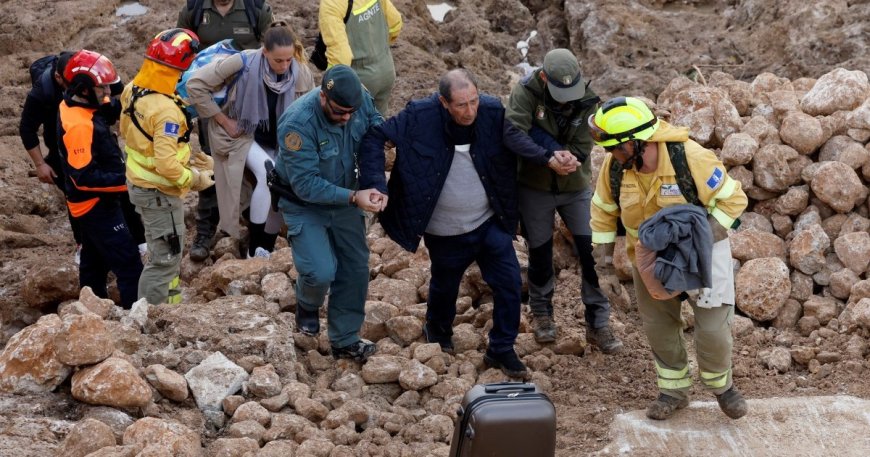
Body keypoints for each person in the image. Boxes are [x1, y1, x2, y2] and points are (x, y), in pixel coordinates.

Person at [358, 69, 576, 378]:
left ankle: (501, 349)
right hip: (444, 230)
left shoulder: (491, 111)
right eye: (461, 105)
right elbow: (375, 137)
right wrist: (375, 183)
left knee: (510, 283)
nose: (470, 111)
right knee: (445, 285)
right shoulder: (420, 116)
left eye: (473, 101)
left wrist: (552, 152)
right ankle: (438, 331)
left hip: (489, 222)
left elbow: (523, 129)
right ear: (443, 103)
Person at [588, 96, 748, 420]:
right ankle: (673, 391)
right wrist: (603, 266)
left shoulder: (691, 157)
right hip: (648, 261)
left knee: (714, 329)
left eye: (617, 148)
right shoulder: (616, 167)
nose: (612, 156)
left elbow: (734, 201)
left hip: (702, 255)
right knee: (659, 327)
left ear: (637, 141)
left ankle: (723, 387)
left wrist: (700, 241)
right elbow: (603, 212)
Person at [506, 48, 622, 352]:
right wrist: (547, 158)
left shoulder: (586, 96)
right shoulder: (526, 91)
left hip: (575, 185)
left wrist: (572, 157)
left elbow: (586, 139)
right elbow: (513, 133)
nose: (567, 98)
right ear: (544, 78)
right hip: (535, 185)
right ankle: (542, 314)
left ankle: (598, 323)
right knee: (540, 251)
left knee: (592, 249)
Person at [274, 65, 385, 361]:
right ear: (323, 97)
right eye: (339, 112)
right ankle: (307, 303)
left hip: (347, 198)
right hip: (305, 203)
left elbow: (376, 127)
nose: (347, 118)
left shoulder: (357, 98)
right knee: (320, 271)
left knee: (355, 267)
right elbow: (306, 185)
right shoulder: (298, 124)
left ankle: (345, 339)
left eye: (352, 112)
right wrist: (354, 197)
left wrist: (375, 182)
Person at [187, 21, 314, 258]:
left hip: (280, 141)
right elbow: (196, 84)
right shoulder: (243, 63)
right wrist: (224, 120)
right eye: (278, 60)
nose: (284, 66)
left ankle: (266, 245)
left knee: (281, 185)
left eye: (289, 60)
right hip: (241, 134)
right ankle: (255, 248)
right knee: (270, 174)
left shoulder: (302, 74)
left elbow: (310, 113)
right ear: (265, 52)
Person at [19, 52, 146, 263]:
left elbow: (117, 92)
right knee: (77, 199)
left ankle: (139, 240)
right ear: (60, 78)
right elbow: (26, 128)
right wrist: (40, 164)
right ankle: (85, 246)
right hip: (65, 149)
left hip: (99, 139)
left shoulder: (92, 76)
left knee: (123, 193)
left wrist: (105, 102)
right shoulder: (43, 92)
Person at [121, 29, 215, 305]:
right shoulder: (166, 111)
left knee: (167, 254)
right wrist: (195, 178)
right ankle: (152, 318)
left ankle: (170, 307)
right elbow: (164, 162)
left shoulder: (133, 89)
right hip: (160, 193)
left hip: (141, 185)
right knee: (164, 259)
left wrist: (188, 158)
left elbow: (135, 137)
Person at [177, 0, 274, 262]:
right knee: (213, 164)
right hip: (212, 105)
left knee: (255, 164)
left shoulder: (256, 10)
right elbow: (181, 55)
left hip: (252, 104)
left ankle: (249, 222)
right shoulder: (194, 10)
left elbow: (274, 47)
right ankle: (206, 231)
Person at [57, 50, 143, 308]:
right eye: (101, 87)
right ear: (84, 89)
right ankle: (133, 318)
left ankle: (91, 309)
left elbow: (103, 110)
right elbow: (83, 178)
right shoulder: (80, 127)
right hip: (96, 205)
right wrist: (128, 179)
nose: (107, 92)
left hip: (85, 207)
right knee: (129, 265)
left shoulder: (71, 104)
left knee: (93, 263)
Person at [319, 0, 403, 115]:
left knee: (351, 126)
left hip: (359, 80)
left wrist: (329, 85)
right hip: (386, 69)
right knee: (379, 123)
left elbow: (341, 56)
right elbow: (395, 24)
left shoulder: (332, 3)